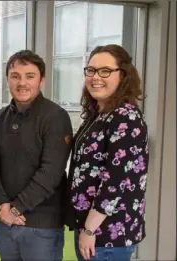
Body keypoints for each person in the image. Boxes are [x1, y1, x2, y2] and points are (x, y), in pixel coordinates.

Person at [0, 50, 73, 261]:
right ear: (8, 79)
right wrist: (2, 205)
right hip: (6, 224)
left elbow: (50, 173)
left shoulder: (55, 117)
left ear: (41, 80)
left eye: (30, 76)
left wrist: (15, 209)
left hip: (42, 229)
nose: (21, 83)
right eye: (15, 76)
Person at [67, 44, 149, 261]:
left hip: (107, 234)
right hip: (90, 229)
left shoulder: (126, 117)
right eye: (91, 70)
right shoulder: (100, 114)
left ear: (123, 75)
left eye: (105, 71)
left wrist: (90, 230)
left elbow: (116, 181)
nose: (96, 77)